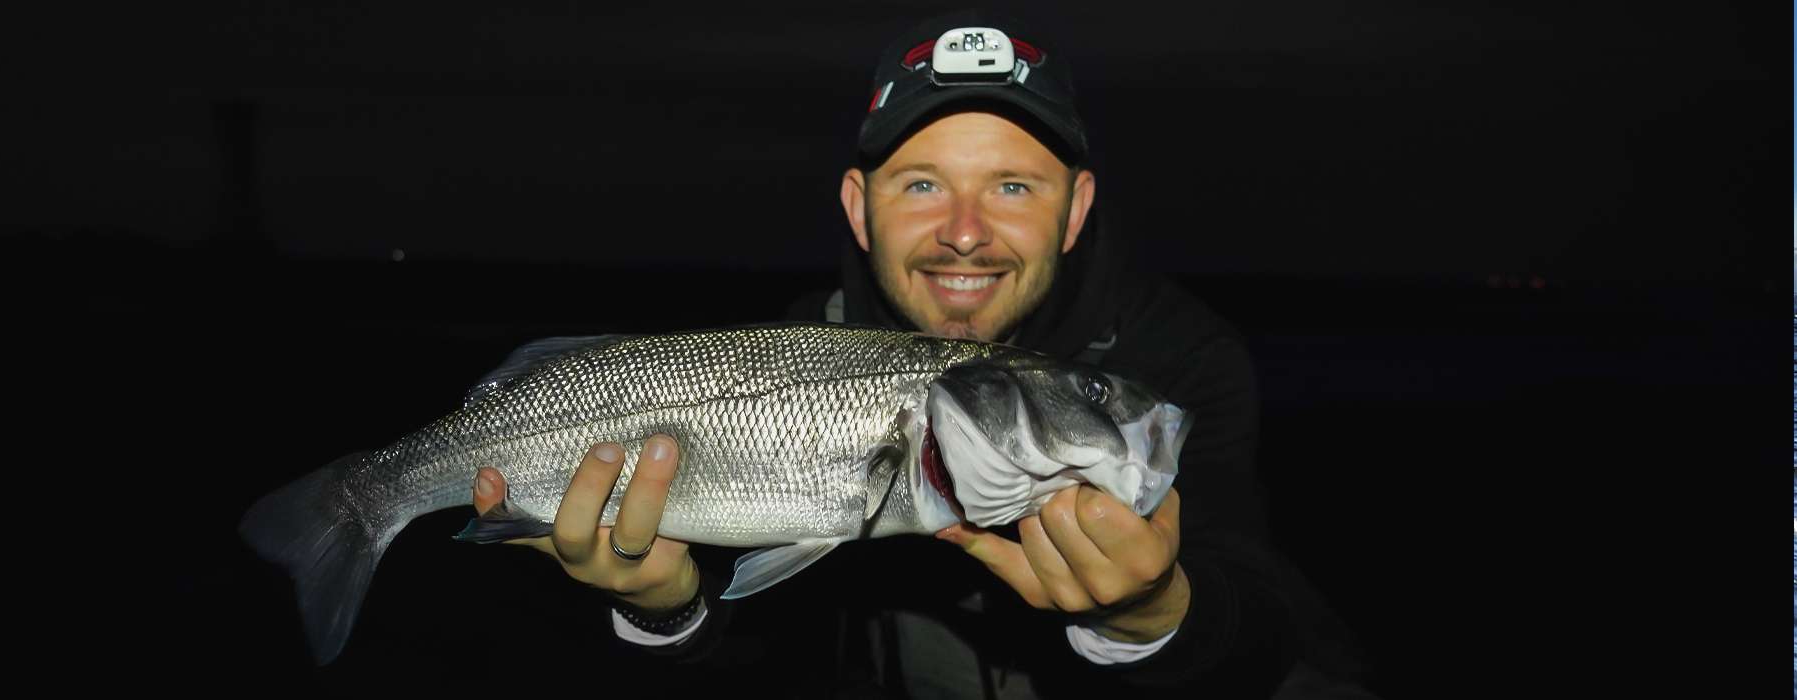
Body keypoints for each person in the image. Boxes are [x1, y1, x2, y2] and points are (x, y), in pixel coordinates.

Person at [468, 10, 1368, 699]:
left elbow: (1272, 619)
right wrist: (662, 608)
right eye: (924, 183)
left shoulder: (1177, 359)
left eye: (1012, 186)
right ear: (861, 209)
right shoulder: (793, 345)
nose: (965, 233)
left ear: (1077, 208)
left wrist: (1154, 615)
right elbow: (765, 650)